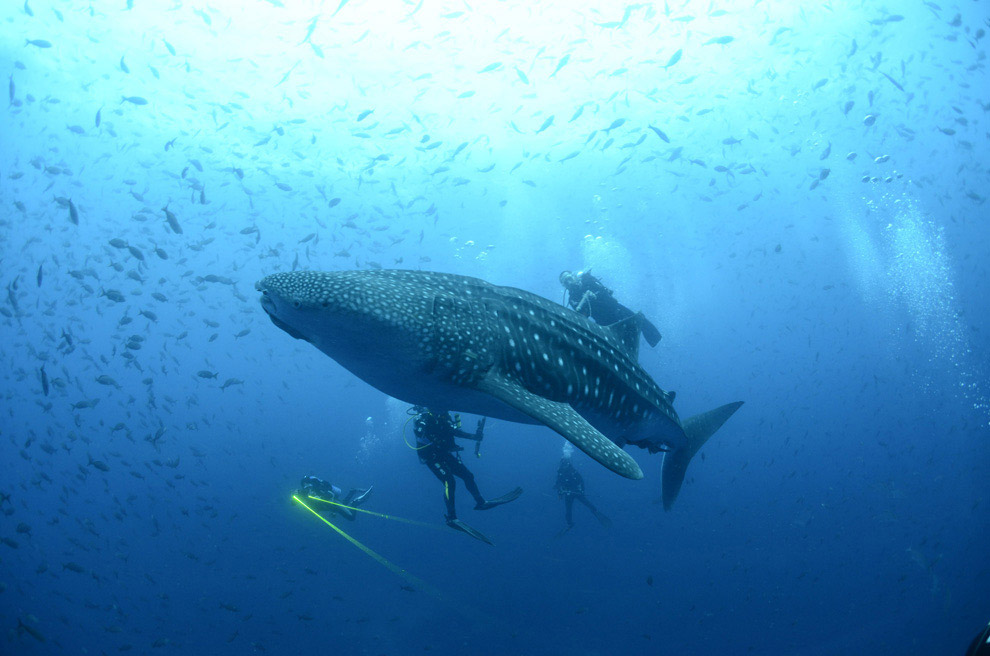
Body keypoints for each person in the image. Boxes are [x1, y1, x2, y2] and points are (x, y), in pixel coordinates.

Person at [412, 406, 522, 544]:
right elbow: (426, 433)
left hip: (443, 453)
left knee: (468, 475)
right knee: (449, 481)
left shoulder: (444, 416)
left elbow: (453, 431)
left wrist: (474, 436)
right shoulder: (424, 419)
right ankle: (451, 518)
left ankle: (481, 502)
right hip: (431, 457)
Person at [559, 270, 662, 347]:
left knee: (640, 320)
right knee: (619, 344)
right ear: (564, 286)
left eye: (569, 278)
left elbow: (605, 292)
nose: (569, 282)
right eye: (565, 282)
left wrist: (594, 296)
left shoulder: (587, 280)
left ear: (573, 276)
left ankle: (657, 342)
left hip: (615, 309)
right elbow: (583, 317)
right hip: (604, 322)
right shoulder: (573, 298)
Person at [554, 451, 610, 535]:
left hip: (576, 492)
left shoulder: (572, 471)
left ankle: (594, 511)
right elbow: (558, 483)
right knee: (569, 510)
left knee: (584, 504)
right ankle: (570, 523)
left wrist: (581, 491)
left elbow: (581, 481)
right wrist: (560, 492)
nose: (564, 464)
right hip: (569, 493)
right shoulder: (560, 472)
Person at [298, 475, 372, 521]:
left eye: (309, 487)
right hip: (333, 506)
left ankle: (355, 503)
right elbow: (316, 508)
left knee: (351, 517)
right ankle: (352, 491)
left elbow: (330, 495)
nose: (309, 490)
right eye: (306, 488)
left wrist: (321, 497)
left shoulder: (319, 490)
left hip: (335, 504)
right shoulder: (310, 496)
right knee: (344, 504)